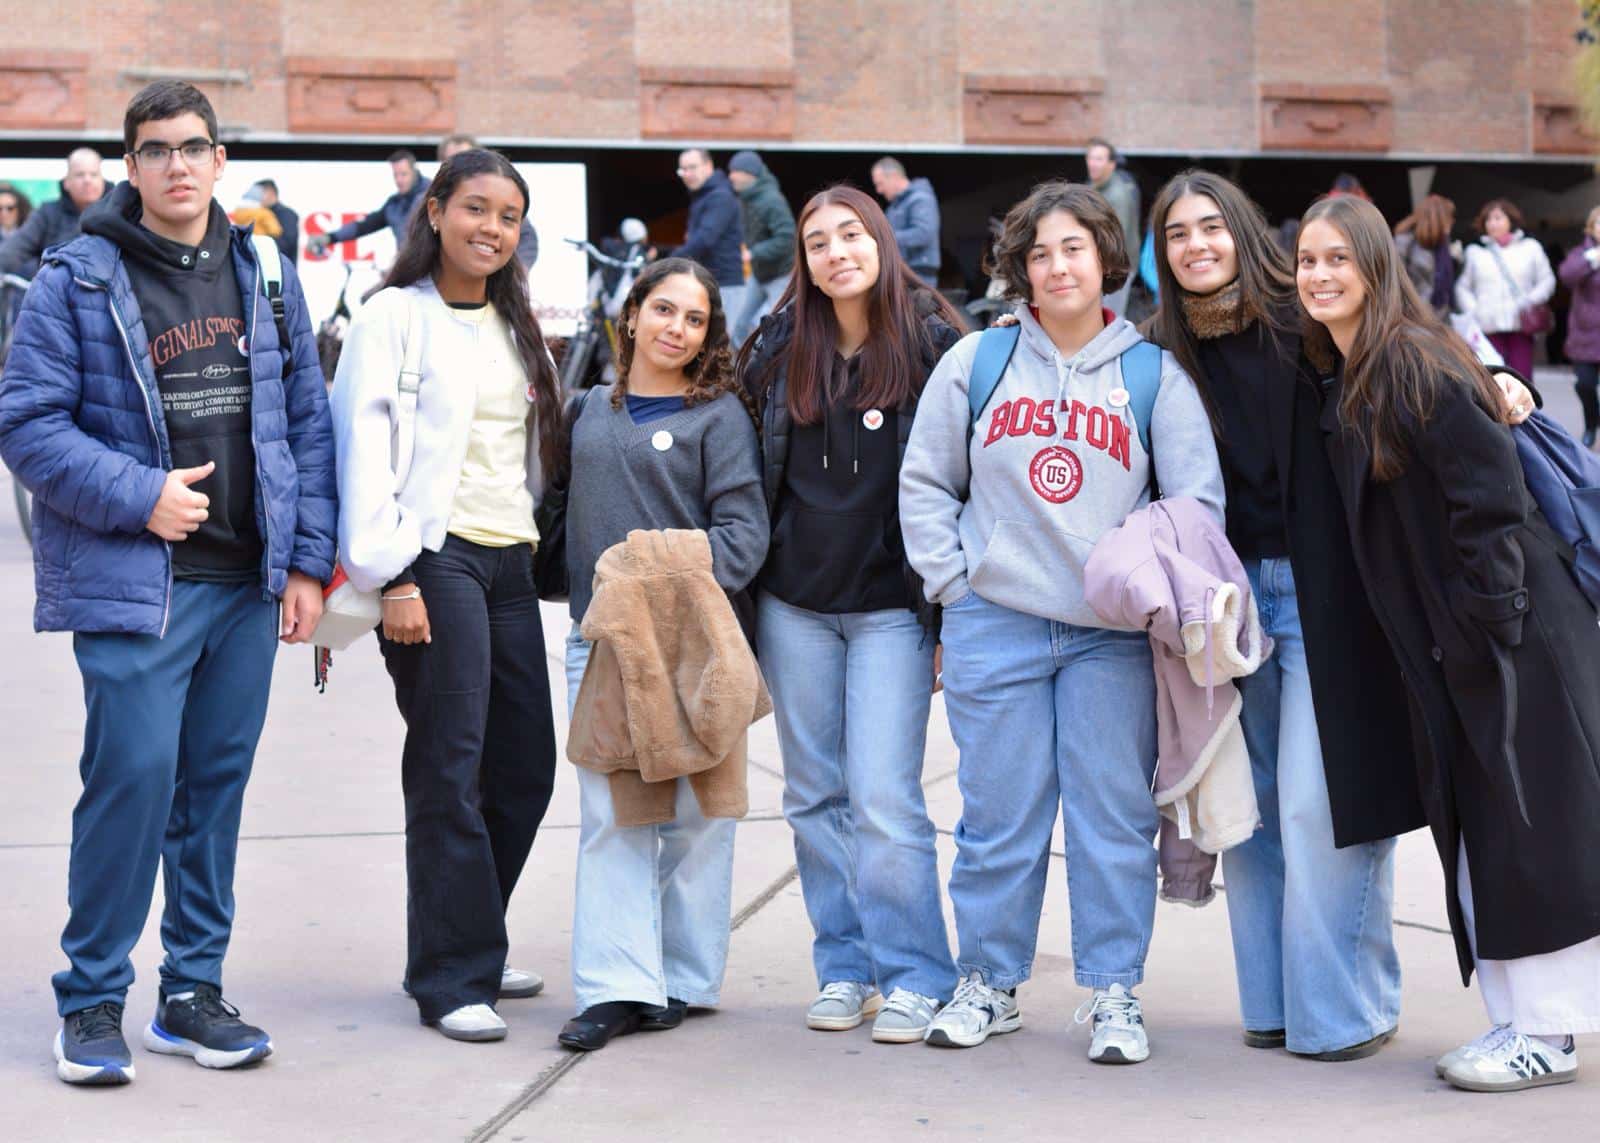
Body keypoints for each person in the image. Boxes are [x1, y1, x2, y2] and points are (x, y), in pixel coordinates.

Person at [0, 79, 335, 1086]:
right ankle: (92, 998)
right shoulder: (77, 277)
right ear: (130, 165)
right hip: (139, 582)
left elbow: (306, 421)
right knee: (133, 782)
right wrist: (139, 494)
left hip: (247, 582)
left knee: (214, 792)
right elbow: (26, 423)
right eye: (155, 149)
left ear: (220, 159)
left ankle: (190, 994)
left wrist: (307, 561)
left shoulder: (265, 270)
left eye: (193, 147)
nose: (176, 165)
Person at [900, 180, 1224, 1062]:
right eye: (1038, 253)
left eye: (1072, 247)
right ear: (1021, 269)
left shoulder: (1152, 374)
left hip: (1109, 637)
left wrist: (1146, 582)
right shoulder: (977, 362)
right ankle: (989, 981)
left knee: (1111, 818)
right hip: (996, 619)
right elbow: (925, 482)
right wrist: (955, 587)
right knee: (997, 817)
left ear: (1105, 257)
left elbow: (1197, 507)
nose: (1056, 266)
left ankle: (1114, 990)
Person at [1299, 193, 1600, 1094]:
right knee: (1497, 827)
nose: (1319, 274)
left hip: (1509, 634)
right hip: (1473, 634)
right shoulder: (1360, 367)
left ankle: (1546, 1033)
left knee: (1529, 826)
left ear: (1375, 266)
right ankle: (1521, 1020)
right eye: (1307, 260)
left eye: (1337, 258)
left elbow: (1489, 496)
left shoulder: (1409, 360)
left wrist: (1487, 625)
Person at [1144, 169, 1410, 1060]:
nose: (1197, 245)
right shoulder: (1161, 349)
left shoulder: (1304, 319)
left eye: (1211, 226)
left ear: (1243, 230)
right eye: (1178, 233)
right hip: (1225, 603)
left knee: (1317, 802)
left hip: (1324, 590)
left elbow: (1403, 345)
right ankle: (1272, 1002)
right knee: (1250, 808)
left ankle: (1344, 1012)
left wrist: (1493, 375)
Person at [330, 149, 562, 1044]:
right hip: (434, 558)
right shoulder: (393, 315)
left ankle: (467, 934)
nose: (490, 228)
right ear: (434, 211)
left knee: (525, 767)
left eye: (508, 216)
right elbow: (361, 446)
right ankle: (451, 974)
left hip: (509, 560)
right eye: (475, 208)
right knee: (449, 765)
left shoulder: (516, 324)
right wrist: (391, 575)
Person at [736, 185, 965, 1045]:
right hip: (794, 604)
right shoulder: (777, 345)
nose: (837, 252)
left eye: (851, 234)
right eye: (818, 241)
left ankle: (916, 975)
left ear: (881, 241)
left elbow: (967, 480)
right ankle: (846, 965)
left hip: (890, 609)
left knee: (882, 796)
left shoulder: (936, 343)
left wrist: (950, 614)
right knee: (812, 794)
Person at [558, 257, 768, 1052]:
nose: (676, 328)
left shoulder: (720, 418)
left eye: (695, 318)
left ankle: (683, 974)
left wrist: (647, 566)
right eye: (664, 309)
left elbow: (744, 536)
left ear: (708, 335)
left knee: (698, 817)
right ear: (633, 312)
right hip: (602, 643)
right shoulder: (586, 410)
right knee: (613, 817)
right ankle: (616, 986)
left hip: (695, 644)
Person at [1455, 198, 1556, 378]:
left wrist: (1531, 300)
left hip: (1521, 325)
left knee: (1522, 378)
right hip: (1487, 326)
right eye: (1488, 219)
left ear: (1511, 220)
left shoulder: (1530, 248)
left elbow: (1547, 280)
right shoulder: (1475, 252)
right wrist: (1474, 310)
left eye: (1498, 218)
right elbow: (1462, 286)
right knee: (1492, 378)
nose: (1493, 223)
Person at [0, 147, 107, 278]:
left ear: (103, 180)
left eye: (94, 174)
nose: (87, 180)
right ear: (66, 182)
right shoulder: (47, 214)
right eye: (80, 175)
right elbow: (16, 248)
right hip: (55, 288)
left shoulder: (119, 213)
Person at [438, 134, 538, 270]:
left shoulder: (503, 197)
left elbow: (527, 239)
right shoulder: (425, 200)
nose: (492, 228)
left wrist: (517, 272)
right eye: (474, 209)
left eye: (467, 160)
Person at [726, 150, 794, 345]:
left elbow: (787, 237)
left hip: (780, 275)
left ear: (750, 173)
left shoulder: (772, 201)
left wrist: (753, 253)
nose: (731, 176)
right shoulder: (745, 198)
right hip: (758, 274)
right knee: (738, 324)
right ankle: (741, 362)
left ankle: (774, 363)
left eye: (735, 171)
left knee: (779, 327)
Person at [670, 149, 746, 322]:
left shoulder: (720, 196)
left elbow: (705, 239)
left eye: (692, 167)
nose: (687, 174)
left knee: (726, 338)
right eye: (683, 170)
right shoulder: (703, 196)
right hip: (707, 282)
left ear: (708, 166)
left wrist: (670, 261)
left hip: (725, 285)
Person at [307, 149, 430, 256]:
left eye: (403, 174)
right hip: (408, 266)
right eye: (395, 175)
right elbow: (363, 226)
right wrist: (329, 238)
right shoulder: (394, 205)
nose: (399, 180)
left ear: (414, 171)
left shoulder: (432, 197)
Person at [1557, 205, 1600, 448]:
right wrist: (1591, 260)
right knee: (1584, 384)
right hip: (1585, 333)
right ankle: (1592, 423)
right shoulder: (1581, 253)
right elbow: (1566, 276)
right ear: (1591, 228)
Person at [1085, 138, 1140, 317]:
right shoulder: (1094, 184)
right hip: (1099, 262)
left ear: (1111, 164)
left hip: (1116, 267)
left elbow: (1116, 240)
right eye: (1090, 158)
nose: (1093, 163)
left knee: (1111, 316)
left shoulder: (1117, 196)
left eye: (1099, 159)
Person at [871, 157, 941, 286]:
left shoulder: (920, 199)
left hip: (918, 274)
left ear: (894, 176)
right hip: (902, 272)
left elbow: (923, 234)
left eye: (880, 183)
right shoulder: (894, 207)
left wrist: (884, 237)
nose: (879, 190)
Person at [1394, 193, 1457, 317]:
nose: (1452, 222)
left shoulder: (1442, 244)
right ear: (1439, 218)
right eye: (1449, 217)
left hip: (1440, 315)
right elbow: (1396, 284)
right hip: (1413, 316)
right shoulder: (1404, 243)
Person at [251, 179, 299, 264]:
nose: (255, 197)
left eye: (258, 193)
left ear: (271, 192)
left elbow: (286, 244)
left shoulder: (286, 214)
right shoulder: (259, 213)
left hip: (283, 268)